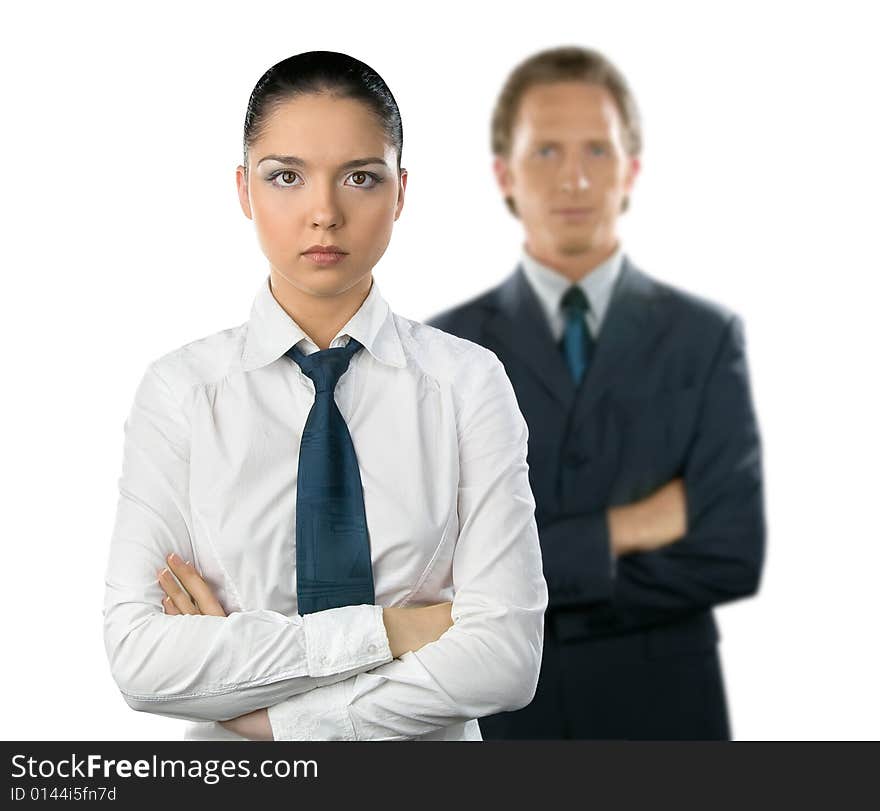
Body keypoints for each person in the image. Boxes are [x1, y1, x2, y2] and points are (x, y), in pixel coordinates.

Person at [102, 50, 547, 741]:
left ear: (400, 192)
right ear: (245, 190)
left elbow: (505, 660)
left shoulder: (468, 384)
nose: (324, 213)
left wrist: (273, 714)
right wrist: (398, 629)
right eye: (286, 176)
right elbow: (141, 661)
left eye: (360, 178)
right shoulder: (181, 392)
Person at [427, 46, 766, 740]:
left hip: (668, 713)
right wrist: (622, 531)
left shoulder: (705, 338)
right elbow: (433, 573)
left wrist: (525, 579)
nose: (574, 177)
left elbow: (732, 552)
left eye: (598, 152)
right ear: (505, 175)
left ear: (631, 170)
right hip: (508, 718)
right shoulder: (445, 351)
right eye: (546, 151)